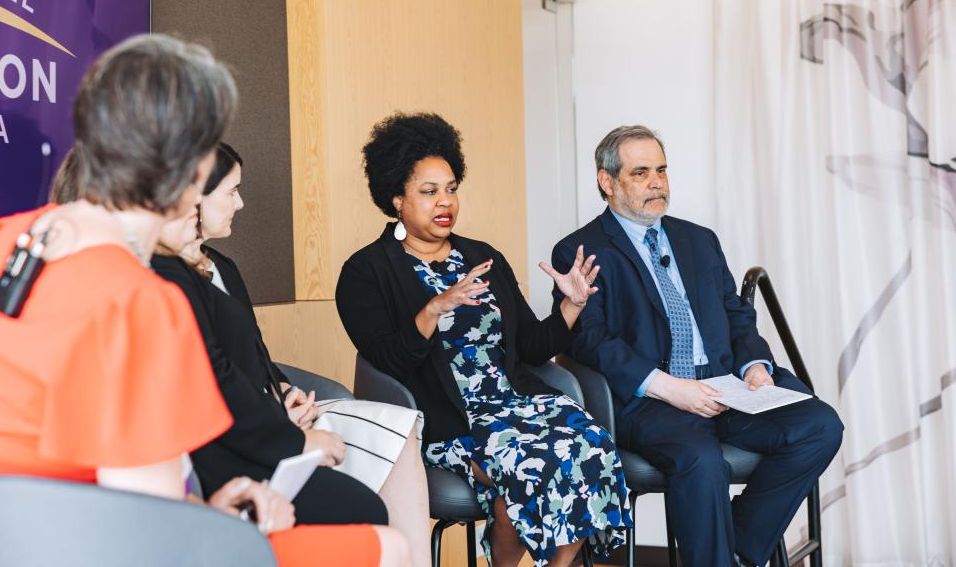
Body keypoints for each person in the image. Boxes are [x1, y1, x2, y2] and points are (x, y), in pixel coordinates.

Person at [0, 34, 403, 567]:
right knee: (390, 549)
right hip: (94, 544)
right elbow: (156, 533)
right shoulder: (142, 301)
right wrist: (228, 523)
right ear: (187, 170)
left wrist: (208, 506)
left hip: (23, 540)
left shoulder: (12, 237)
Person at [336, 112, 633, 567]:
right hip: (448, 418)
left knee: (593, 446)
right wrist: (434, 308)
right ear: (396, 198)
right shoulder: (367, 272)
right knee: (525, 468)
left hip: (516, 403)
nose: (445, 202)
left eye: (451, 189)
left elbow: (532, 347)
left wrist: (570, 306)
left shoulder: (482, 256)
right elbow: (388, 361)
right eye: (429, 191)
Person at [551, 125, 844, 567]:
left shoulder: (699, 239)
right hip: (652, 402)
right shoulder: (580, 250)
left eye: (662, 170)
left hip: (727, 387)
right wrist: (669, 387)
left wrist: (754, 366)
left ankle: (737, 547)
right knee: (702, 461)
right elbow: (592, 342)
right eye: (642, 172)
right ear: (606, 182)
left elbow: (736, 313)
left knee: (821, 425)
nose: (658, 183)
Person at [152, 142, 430, 567]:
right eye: (231, 191)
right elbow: (217, 378)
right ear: (193, 198)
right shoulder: (168, 278)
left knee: (401, 425)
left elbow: (256, 354)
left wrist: (283, 391)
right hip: (245, 436)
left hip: (275, 413)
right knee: (368, 500)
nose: (240, 203)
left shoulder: (223, 266)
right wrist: (295, 437)